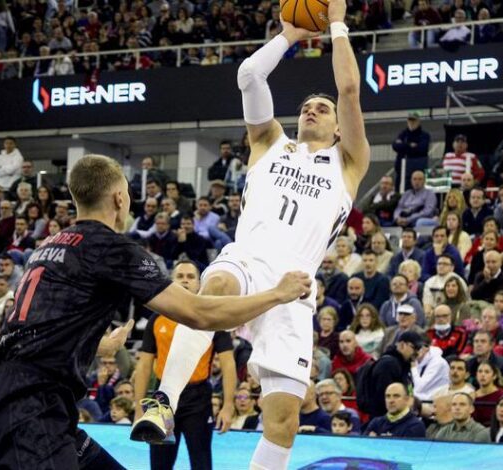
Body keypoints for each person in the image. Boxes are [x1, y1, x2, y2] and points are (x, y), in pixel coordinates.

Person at [134, 12, 370, 468]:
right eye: (306, 106)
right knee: (212, 289)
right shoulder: (269, 142)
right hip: (247, 261)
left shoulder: (349, 162)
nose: (311, 110)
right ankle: (164, 402)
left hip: (294, 289)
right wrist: (289, 35)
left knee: (282, 421)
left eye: (321, 109)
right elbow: (249, 75)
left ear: (339, 128)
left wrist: (338, 23)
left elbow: (349, 91)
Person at [0, 155, 312, 469]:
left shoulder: (49, 245)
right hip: (28, 410)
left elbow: (29, 329)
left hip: (22, 401)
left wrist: (98, 347)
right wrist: (277, 294)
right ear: (120, 199)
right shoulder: (111, 248)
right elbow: (199, 313)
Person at [132, 260, 237, 470]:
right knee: (159, 465)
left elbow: (228, 364)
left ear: (199, 283)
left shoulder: (212, 317)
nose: (185, 281)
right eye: (180, 277)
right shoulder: (157, 319)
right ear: (171, 281)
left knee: (201, 463)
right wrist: (138, 408)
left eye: (190, 277)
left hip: (198, 399)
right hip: (163, 399)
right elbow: (144, 366)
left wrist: (227, 406)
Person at [363, 331, 421, 418]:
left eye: (419, 349)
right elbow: (382, 398)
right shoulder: (388, 365)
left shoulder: (403, 364)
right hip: (385, 420)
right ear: (402, 345)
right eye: (414, 348)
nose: (417, 353)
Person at [467, 330, 503, 394]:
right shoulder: (468, 364)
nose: (478, 344)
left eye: (483, 341)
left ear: (491, 345)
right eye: (476, 341)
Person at [392, 112, 430, 191]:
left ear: (418, 121)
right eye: (410, 120)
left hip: (417, 171)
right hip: (401, 171)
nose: (412, 123)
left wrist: (403, 146)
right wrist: (409, 145)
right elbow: (395, 146)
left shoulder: (424, 135)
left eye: (414, 120)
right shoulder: (403, 134)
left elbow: (422, 149)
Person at [411, 337, 450, 401]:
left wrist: (413, 368)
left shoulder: (438, 362)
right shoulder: (417, 361)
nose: (414, 351)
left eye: (417, 348)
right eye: (413, 348)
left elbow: (419, 387)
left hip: (437, 401)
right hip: (422, 400)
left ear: (427, 348)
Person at [473, 361, 503, 427]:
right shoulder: (471, 395)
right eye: (480, 371)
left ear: (494, 376)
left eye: (487, 372)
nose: (482, 375)